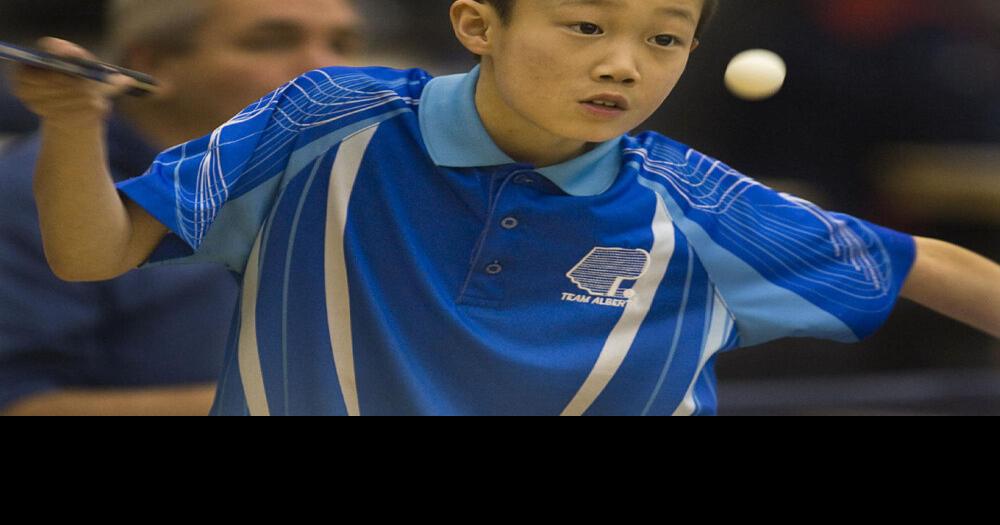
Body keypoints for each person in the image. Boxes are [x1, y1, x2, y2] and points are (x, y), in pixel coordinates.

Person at [9, 0, 1000, 416]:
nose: (621, 62)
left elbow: (932, 264)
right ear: (480, 24)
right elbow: (95, 254)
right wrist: (69, 126)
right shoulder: (325, 120)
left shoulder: (690, 201)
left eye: (664, 39)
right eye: (584, 25)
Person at [0, 0, 365, 416]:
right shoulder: (32, 196)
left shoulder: (336, 173)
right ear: (152, 62)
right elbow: (18, 403)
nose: (324, 70)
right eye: (269, 43)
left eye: (342, 43)